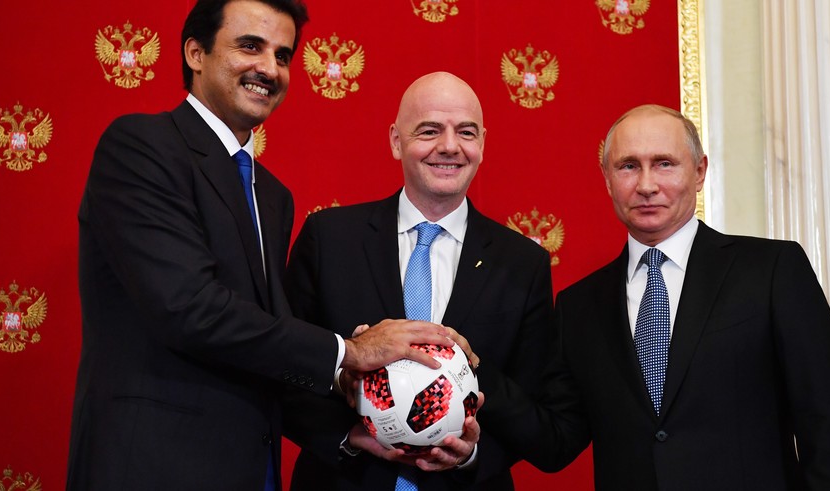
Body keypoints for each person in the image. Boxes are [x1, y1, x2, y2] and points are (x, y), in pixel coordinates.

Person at [66, 1, 453, 489]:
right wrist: (348, 352)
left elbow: (265, 335)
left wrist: (355, 400)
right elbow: (190, 308)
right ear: (195, 53)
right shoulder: (142, 147)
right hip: (153, 465)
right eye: (250, 46)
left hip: (253, 469)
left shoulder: (272, 196)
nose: (269, 69)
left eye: (283, 55)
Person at [282, 71, 565, 490]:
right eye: (429, 130)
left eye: (465, 132)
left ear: (482, 144)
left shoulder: (523, 264)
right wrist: (348, 432)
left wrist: (472, 454)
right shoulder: (329, 239)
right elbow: (282, 366)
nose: (449, 147)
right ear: (396, 141)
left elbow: (537, 415)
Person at [552, 104, 830, 489]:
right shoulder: (578, 307)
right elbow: (558, 439)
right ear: (608, 180)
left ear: (699, 172)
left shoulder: (772, 270)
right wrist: (474, 375)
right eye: (628, 166)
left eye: (664, 163)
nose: (646, 185)